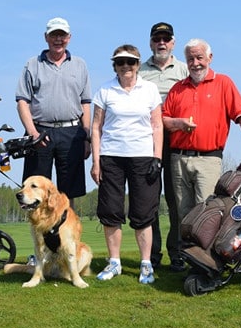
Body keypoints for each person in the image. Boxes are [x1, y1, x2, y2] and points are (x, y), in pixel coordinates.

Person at [162, 38, 241, 253]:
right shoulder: (177, 88)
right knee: (183, 212)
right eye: (191, 59)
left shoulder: (223, 83)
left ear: (210, 58)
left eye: (200, 57)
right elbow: (163, 120)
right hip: (178, 158)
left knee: (205, 211)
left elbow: (240, 112)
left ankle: (206, 259)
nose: (195, 63)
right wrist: (178, 123)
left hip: (208, 158)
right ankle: (185, 258)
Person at [90, 45, 163, 284]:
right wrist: (96, 161)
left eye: (130, 62)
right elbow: (96, 127)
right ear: (115, 65)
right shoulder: (105, 90)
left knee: (143, 212)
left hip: (142, 157)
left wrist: (157, 157)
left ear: (138, 64)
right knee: (111, 211)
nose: (126, 67)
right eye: (120, 62)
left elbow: (157, 125)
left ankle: (145, 264)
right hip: (111, 157)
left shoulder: (150, 90)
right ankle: (114, 262)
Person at [15, 17, 92, 208]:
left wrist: (86, 137)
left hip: (72, 133)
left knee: (68, 193)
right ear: (46, 37)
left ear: (69, 38)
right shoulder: (33, 64)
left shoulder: (80, 64)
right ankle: (40, 237)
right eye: (54, 35)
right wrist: (33, 133)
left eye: (62, 35)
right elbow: (22, 101)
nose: (58, 39)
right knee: (35, 191)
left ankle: (66, 234)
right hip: (40, 132)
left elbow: (85, 103)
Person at [139, 22, 189, 272]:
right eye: (157, 38)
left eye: (165, 39)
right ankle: (152, 254)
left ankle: (178, 252)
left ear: (173, 43)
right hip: (146, 140)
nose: (161, 43)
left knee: (176, 199)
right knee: (149, 199)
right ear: (150, 42)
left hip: (176, 140)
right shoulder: (139, 70)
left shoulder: (183, 69)